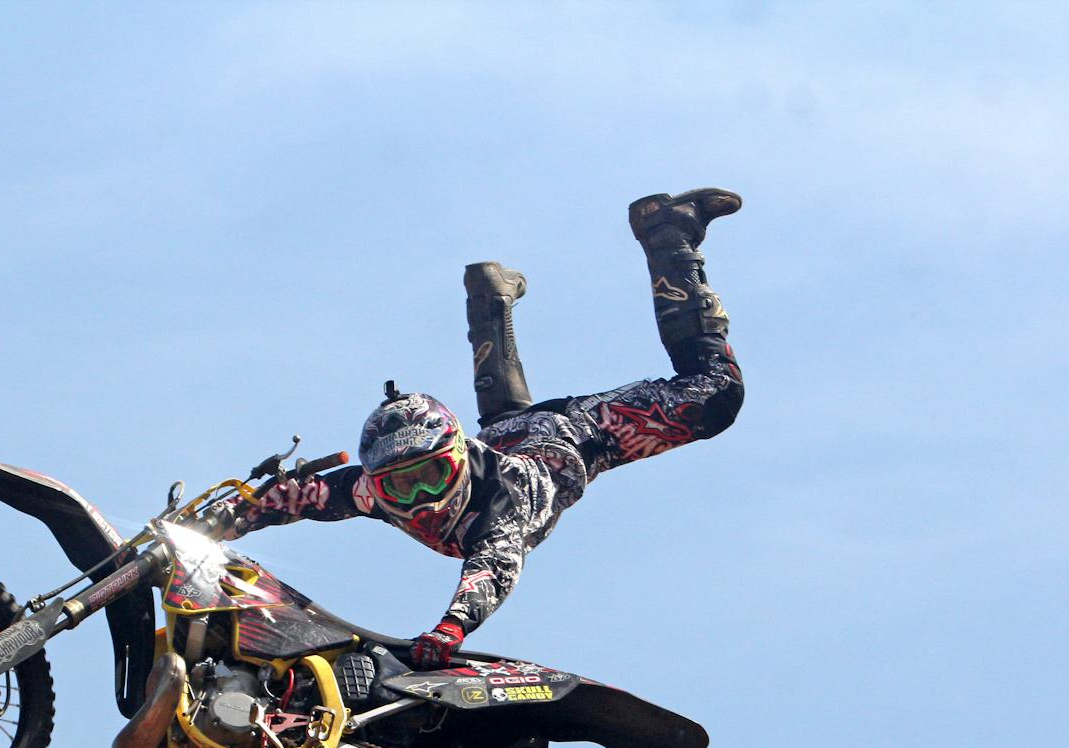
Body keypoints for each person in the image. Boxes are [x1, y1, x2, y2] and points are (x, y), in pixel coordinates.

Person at [231, 188, 746, 669]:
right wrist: (223, 521)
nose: (419, 501)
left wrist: (448, 632)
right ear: (378, 479)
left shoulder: (501, 501)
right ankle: (489, 300)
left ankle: (668, 231)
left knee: (716, 392)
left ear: (457, 458)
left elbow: (492, 569)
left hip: (579, 432)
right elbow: (289, 498)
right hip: (511, 438)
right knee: (507, 422)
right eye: (401, 485)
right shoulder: (373, 492)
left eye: (430, 477)